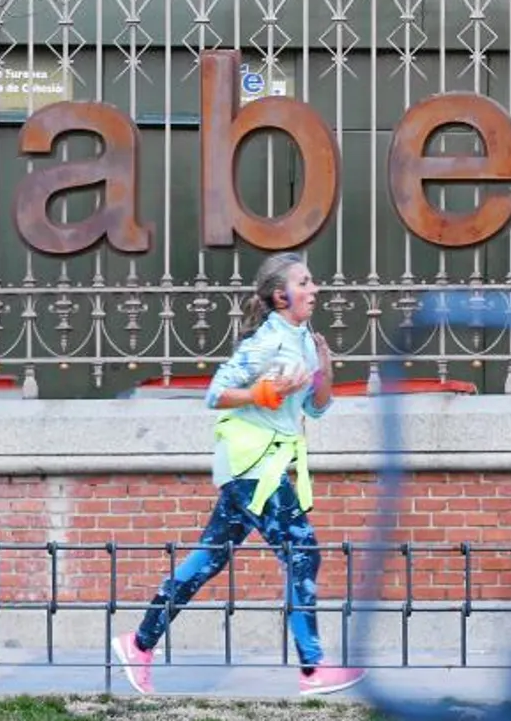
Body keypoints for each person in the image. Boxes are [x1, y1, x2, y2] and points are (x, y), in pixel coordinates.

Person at [112, 252, 366, 697]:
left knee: (209, 559)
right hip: (253, 464)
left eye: (312, 281)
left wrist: (325, 368)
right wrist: (265, 392)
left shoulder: (303, 337)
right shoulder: (265, 343)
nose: (315, 289)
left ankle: (138, 643)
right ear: (280, 295)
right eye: (305, 283)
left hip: (259, 464)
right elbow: (216, 394)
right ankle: (312, 668)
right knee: (303, 552)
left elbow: (315, 408)